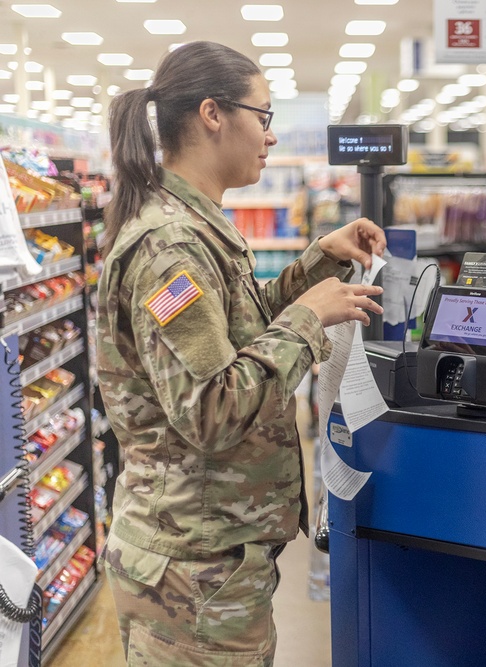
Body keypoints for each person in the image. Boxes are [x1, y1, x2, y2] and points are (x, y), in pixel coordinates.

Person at [95, 41, 385, 665]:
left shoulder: (195, 225)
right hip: (191, 571)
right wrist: (310, 320)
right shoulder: (170, 246)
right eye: (264, 115)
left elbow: (240, 327)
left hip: (208, 558)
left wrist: (317, 264)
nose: (271, 136)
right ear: (212, 114)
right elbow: (212, 407)